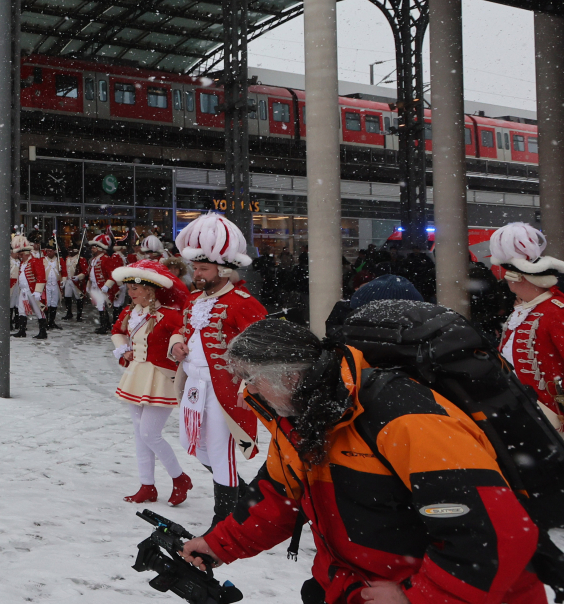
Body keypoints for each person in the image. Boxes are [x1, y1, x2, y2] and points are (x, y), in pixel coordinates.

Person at [180, 319, 547, 604]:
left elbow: (494, 534)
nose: (246, 393)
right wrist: (218, 545)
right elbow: (279, 497)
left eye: (250, 379)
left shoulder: (404, 417)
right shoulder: (296, 418)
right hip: (351, 586)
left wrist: (418, 596)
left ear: (290, 374)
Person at [167, 212, 267, 524]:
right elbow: (183, 328)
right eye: (194, 267)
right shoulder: (195, 299)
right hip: (194, 384)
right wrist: (176, 344)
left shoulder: (242, 301)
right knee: (191, 443)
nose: (195, 273)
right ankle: (249, 497)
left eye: (202, 268)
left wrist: (248, 388)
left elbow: (259, 351)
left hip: (224, 388)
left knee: (221, 451)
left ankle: (223, 517)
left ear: (222, 269)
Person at [108, 260, 190, 506]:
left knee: (149, 434)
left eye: (135, 288)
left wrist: (177, 344)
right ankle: (147, 485)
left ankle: (180, 478)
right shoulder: (129, 312)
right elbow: (116, 331)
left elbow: (180, 331)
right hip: (135, 376)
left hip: (160, 378)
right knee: (139, 435)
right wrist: (123, 350)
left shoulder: (168, 314)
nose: (130, 293)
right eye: (129, 288)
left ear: (150, 290)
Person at [487, 222, 564, 428]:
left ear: (520, 278)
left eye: (508, 277)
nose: (506, 282)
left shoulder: (555, 311)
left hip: (550, 411)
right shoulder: (525, 308)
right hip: (523, 403)